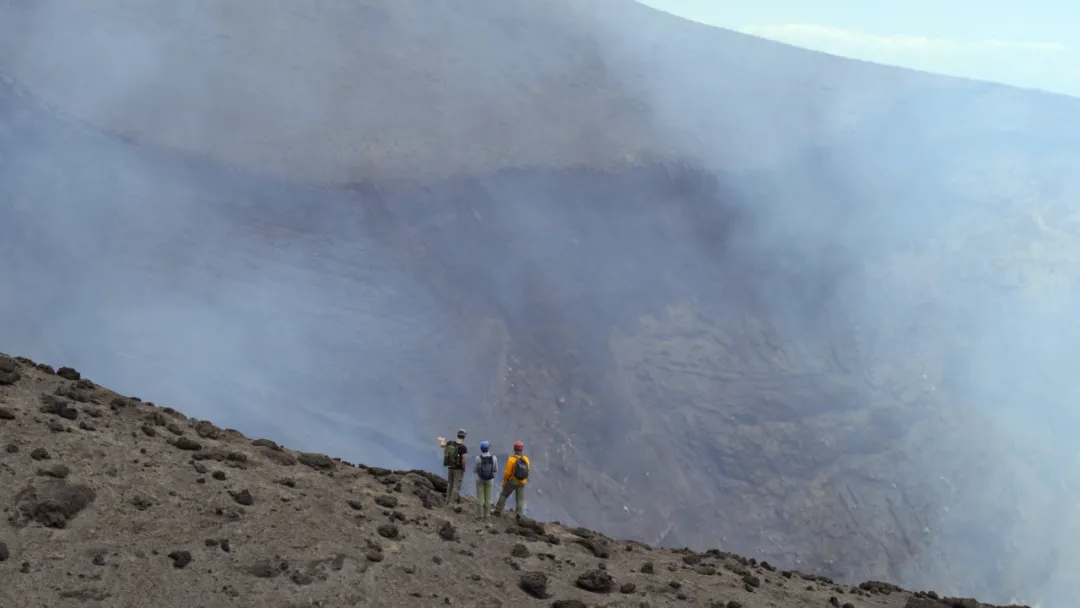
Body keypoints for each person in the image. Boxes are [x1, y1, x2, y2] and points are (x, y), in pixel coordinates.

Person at [494, 440, 530, 516]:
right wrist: (524, 480)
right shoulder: (526, 459)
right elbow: (528, 470)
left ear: (514, 449)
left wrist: (505, 482)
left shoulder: (512, 459)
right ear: (521, 449)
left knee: (504, 494)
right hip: (522, 481)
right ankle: (519, 515)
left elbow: (507, 473)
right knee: (520, 499)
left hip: (513, 481)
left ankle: (498, 510)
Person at [437, 429, 468, 503]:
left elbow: (442, 445)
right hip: (458, 469)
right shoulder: (463, 447)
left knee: (450, 484)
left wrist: (442, 440)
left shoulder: (451, 443)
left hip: (450, 467)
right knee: (456, 486)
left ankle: (447, 501)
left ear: (457, 435)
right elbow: (463, 460)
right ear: (463, 437)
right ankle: (451, 503)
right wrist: (464, 469)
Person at [474, 440, 498, 522]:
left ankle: (479, 515)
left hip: (480, 479)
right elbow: (495, 470)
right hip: (489, 480)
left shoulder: (478, 458)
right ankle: (487, 516)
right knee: (488, 498)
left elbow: (475, 470)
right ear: (488, 448)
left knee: (480, 497)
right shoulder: (493, 458)